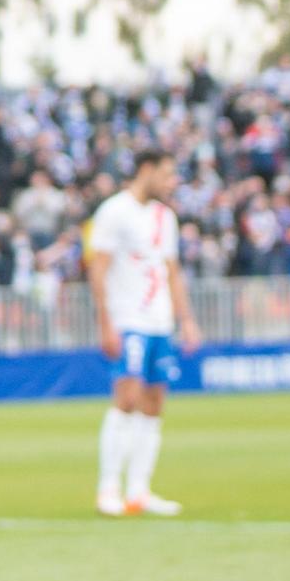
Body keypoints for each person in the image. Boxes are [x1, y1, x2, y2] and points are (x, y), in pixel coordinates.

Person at [88, 149, 202, 517]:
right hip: (128, 319)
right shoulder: (114, 211)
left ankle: (139, 490)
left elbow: (171, 270)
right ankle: (108, 488)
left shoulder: (164, 217)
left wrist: (186, 320)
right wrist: (105, 322)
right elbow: (98, 268)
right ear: (146, 170)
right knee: (127, 395)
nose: (172, 183)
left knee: (154, 403)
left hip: (159, 320)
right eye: (167, 175)